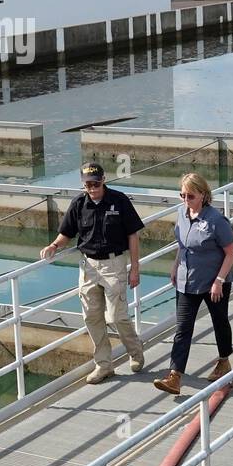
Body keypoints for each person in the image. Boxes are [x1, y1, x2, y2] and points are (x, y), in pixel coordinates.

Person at [40, 162, 145, 384]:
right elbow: (66, 233)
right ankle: (104, 365)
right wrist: (54, 246)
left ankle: (135, 351)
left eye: (96, 183)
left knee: (117, 316)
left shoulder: (119, 200)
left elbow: (133, 236)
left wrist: (135, 268)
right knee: (91, 316)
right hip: (88, 266)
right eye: (88, 184)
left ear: (104, 180)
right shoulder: (79, 203)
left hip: (114, 264)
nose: (92, 188)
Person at [153, 173, 233, 396]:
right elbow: (182, 244)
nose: (185, 200)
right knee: (182, 328)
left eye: (190, 196)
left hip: (213, 281)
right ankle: (175, 376)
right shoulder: (181, 212)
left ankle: (224, 360)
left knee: (219, 321)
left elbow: (230, 253)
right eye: (182, 195)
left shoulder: (216, 221)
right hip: (186, 280)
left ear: (203, 195)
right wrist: (174, 267)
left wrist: (219, 281)